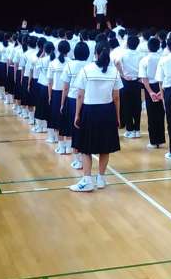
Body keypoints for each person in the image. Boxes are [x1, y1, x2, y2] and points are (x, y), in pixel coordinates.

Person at [70, 42, 122, 192]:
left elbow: (80, 95)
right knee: (105, 147)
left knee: (86, 147)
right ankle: (101, 179)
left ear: (96, 54)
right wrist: (117, 116)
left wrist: (77, 114)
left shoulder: (86, 70)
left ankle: (87, 180)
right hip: (107, 111)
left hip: (89, 111)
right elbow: (116, 97)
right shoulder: (114, 72)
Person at [59, 41, 90, 167]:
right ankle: (83, 159)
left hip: (72, 100)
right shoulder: (90, 65)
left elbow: (65, 87)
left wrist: (62, 103)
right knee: (84, 131)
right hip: (87, 101)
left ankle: (78, 160)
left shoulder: (69, 65)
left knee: (74, 130)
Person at [138, 37, 166, 149]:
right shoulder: (162, 58)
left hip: (149, 86)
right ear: (158, 47)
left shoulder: (144, 60)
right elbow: (165, 76)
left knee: (151, 114)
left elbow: (144, 78)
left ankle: (153, 141)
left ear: (148, 47)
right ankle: (160, 140)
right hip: (161, 86)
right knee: (160, 113)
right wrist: (160, 91)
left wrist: (150, 92)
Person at [116, 34, 143, 139]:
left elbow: (116, 62)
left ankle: (130, 130)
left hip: (126, 82)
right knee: (137, 105)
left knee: (127, 106)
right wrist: (139, 76)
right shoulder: (140, 55)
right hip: (137, 81)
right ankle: (137, 130)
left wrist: (122, 74)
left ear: (127, 44)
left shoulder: (123, 53)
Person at [48, 40, 71, 154]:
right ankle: (69, 147)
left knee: (57, 121)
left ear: (58, 49)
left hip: (56, 94)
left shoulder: (53, 63)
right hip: (69, 95)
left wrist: (49, 96)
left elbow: (50, 82)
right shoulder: (71, 63)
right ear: (69, 50)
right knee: (68, 120)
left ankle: (61, 147)